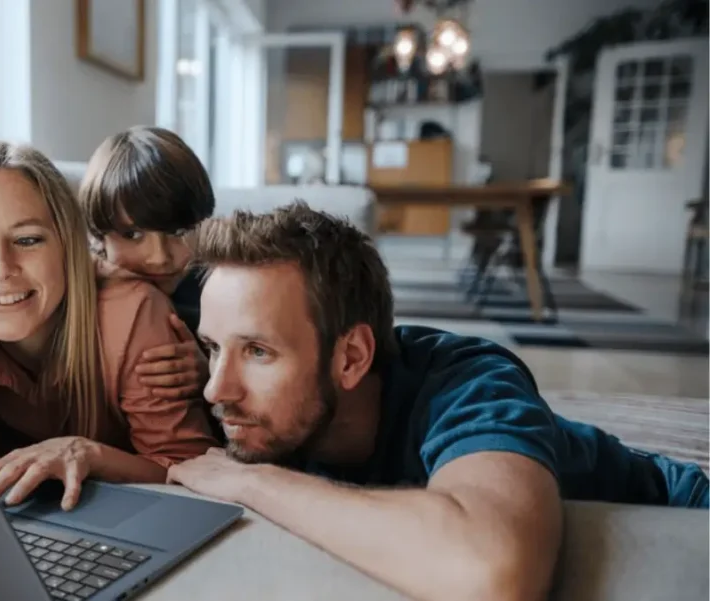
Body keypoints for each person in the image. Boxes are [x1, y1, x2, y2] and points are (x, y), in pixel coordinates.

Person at [167, 200, 709, 601]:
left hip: (673, 521)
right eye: (212, 347)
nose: (217, 389)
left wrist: (250, 480)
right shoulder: (258, 406)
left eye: (258, 351)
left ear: (352, 357)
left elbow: (492, 572)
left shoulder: (469, 382)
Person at [0, 140, 217, 511]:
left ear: (69, 245)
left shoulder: (136, 311)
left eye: (27, 240)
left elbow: (195, 476)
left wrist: (88, 454)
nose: (0, 269)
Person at [79, 126, 216, 402]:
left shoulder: (218, 293)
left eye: (178, 233)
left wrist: (212, 374)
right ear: (99, 238)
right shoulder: (78, 296)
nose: (159, 256)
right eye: (132, 235)